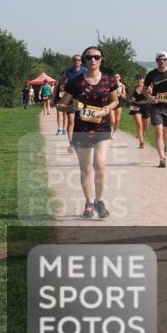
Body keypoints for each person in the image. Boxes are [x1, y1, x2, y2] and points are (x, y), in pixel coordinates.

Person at [56, 46, 119, 219]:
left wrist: (107, 109)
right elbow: (60, 105)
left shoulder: (109, 80)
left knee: (100, 163)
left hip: (102, 127)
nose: (93, 60)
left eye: (96, 57)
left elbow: (115, 101)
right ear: (84, 60)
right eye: (89, 57)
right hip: (82, 129)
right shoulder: (75, 82)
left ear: (101, 59)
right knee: (85, 169)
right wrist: (71, 107)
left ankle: (100, 201)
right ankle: (89, 203)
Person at [144, 51, 167, 168]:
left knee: (166, 133)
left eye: (164, 59)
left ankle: (163, 144)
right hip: (156, 106)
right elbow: (145, 90)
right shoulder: (151, 74)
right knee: (159, 130)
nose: (162, 61)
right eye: (159, 60)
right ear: (156, 61)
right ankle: (162, 159)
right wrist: (150, 98)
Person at [58, 55, 85, 136]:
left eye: (78, 60)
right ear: (72, 61)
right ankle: (71, 143)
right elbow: (63, 79)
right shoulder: (68, 70)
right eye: (74, 60)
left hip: (82, 96)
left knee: (82, 119)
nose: (76, 61)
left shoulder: (85, 70)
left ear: (81, 62)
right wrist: (62, 85)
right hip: (70, 96)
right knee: (70, 119)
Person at [128, 73, 150, 148]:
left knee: (146, 126)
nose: (139, 81)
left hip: (146, 107)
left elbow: (152, 99)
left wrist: (144, 101)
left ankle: (142, 134)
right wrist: (131, 99)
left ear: (143, 80)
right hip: (135, 107)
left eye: (140, 79)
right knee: (139, 124)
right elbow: (129, 100)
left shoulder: (148, 88)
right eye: (137, 79)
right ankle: (141, 142)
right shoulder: (133, 88)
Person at [111, 73, 126, 138]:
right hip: (111, 102)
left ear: (119, 78)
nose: (116, 78)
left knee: (117, 120)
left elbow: (124, 97)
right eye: (114, 77)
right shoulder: (110, 85)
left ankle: (114, 133)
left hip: (119, 102)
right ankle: (110, 129)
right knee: (112, 120)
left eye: (117, 77)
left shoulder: (122, 86)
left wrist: (119, 93)